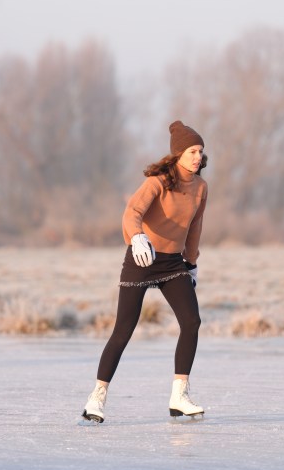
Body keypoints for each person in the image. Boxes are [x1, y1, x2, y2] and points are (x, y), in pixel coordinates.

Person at [81, 120, 209, 423]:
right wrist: (136, 236)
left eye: (201, 151)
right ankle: (96, 398)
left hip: (173, 263)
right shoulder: (158, 181)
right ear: (178, 154)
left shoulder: (201, 188)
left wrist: (191, 263)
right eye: (192, 150)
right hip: (143, 257)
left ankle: (179, 396)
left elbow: (194, 228)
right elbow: (132, 212)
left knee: (192, 321)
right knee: (123, 330)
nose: (198, 156)